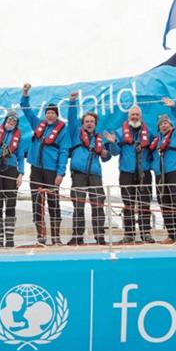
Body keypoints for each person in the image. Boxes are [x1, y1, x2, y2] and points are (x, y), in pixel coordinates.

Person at [21, 83, 70, 247]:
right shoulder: (37, 124)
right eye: (48, 113)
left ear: (57, 115)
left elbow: (64, 152)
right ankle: (41, 237)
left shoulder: (62, 130)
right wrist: (25, 94)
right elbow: (26, 110)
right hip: (36, 168)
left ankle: (56, 237)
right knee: (36, 202)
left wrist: (61, 173)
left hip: (52, 170)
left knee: (54, 202)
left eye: (52, 113)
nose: (49, 115)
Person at [63, 93, 111, 246]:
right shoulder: (76, 133)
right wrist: (72, 101)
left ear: (95, 124)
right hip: (79, 174)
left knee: (98, 205)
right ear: (82, 123)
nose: (89, 123)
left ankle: (100, 237)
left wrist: (106, 152)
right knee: (78, 205)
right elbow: (71, 118)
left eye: (92, 121)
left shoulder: (100, 139)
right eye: (87, 121)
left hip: (95, 174)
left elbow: (106, 157)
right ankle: (77, 236)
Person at [105, 105, 155, 244]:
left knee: (145, 204)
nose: (135, 117)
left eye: (137, 115)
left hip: (144, 172)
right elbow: (115, 152)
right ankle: (129, 234)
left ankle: (146, 233)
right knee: (128, 204)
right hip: (126, 172)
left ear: (141, 116)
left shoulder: (149, 132)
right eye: (132, 115)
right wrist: (113, 143)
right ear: (128, 117)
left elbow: (153, 150)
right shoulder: (120, 132)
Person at [0, 82, 25, 248]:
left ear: (16, 123)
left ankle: (9, 238)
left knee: (11, 202)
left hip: (11, 169)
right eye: (9, 119)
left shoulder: (19, 137)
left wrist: (21, 174)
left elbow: (21, 156)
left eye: (14, 120)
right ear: (5, 120)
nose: (11, 121)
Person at [151, 98, 176, 243]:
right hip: (160, 174)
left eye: (166, 123)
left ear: (170, 124)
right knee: (165, 203)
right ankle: (172, 234)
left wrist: (174, 108)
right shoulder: (156, 141)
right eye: (161, 124)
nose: (164, 126)